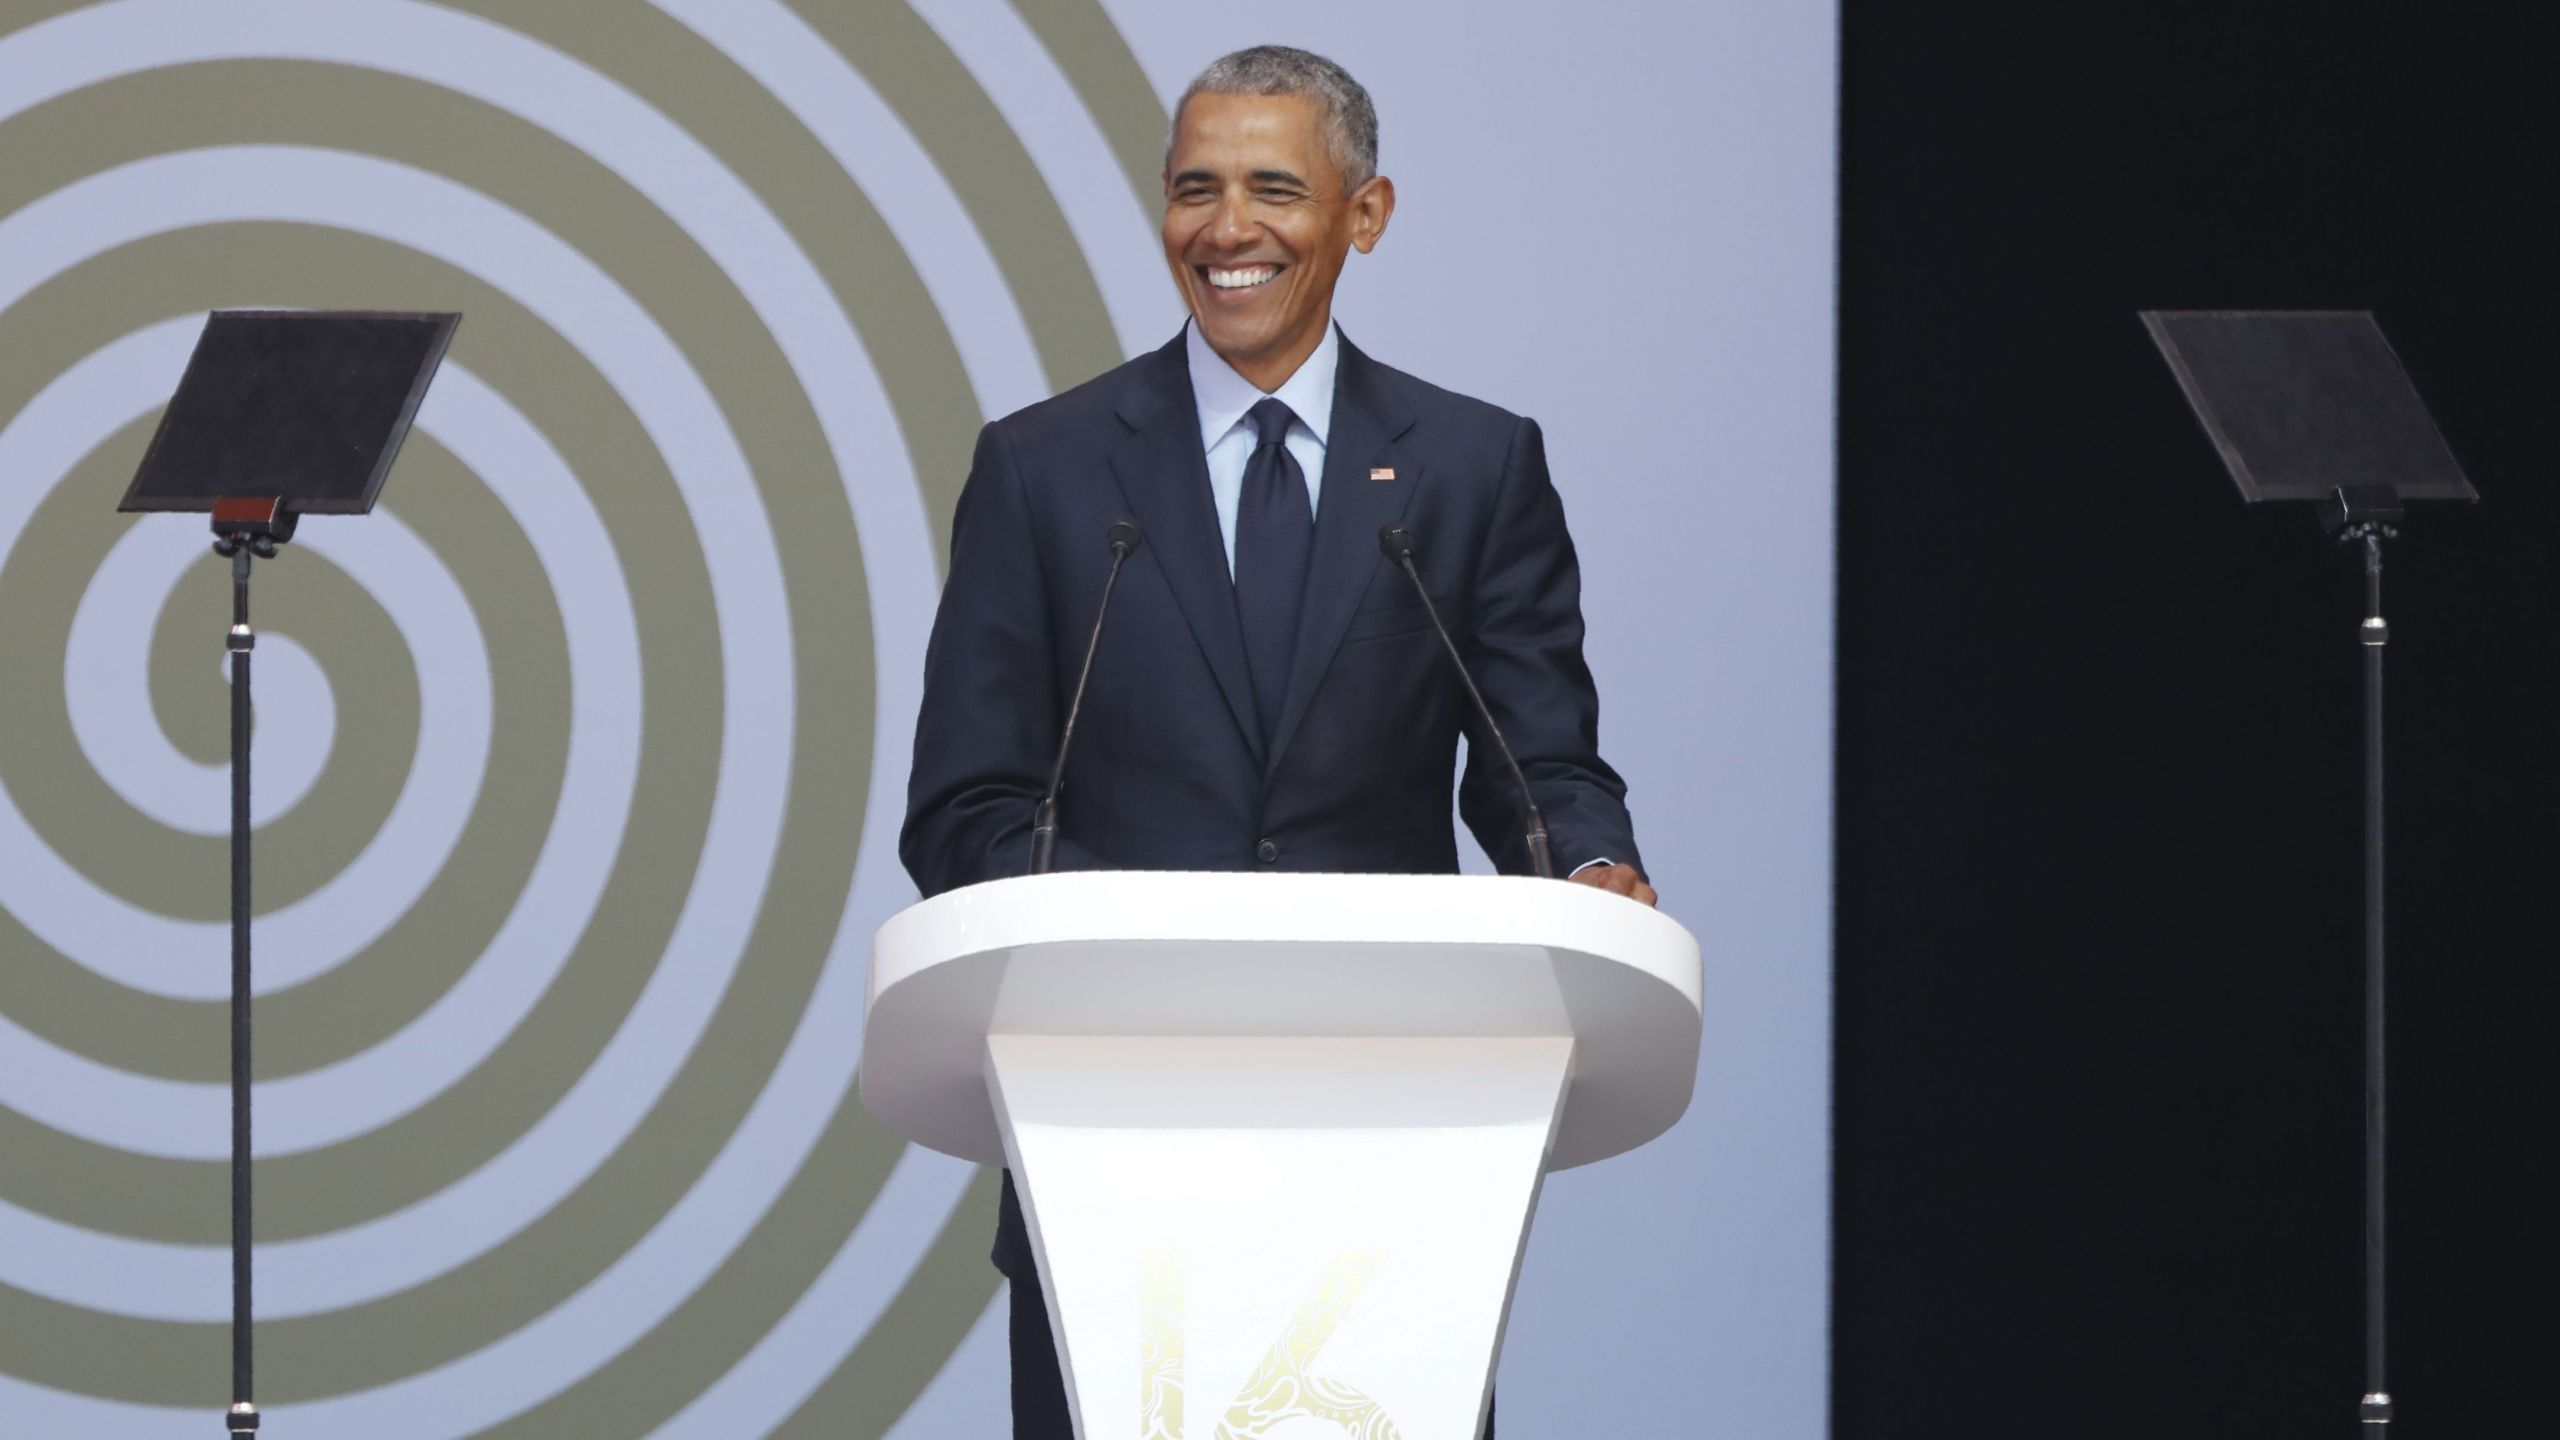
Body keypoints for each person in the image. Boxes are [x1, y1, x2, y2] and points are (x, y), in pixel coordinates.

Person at [898, 43, 1654, 1440]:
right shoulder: (1046, 468)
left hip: (1395, 1165)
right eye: (1195, 189)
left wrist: (1592, 860)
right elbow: (964, 806)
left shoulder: (1471, 466)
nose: (1227, 229)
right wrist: (1117, 934)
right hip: (1106, 1157)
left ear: (1362, 215)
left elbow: (1537, 759)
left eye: (1272, 189)